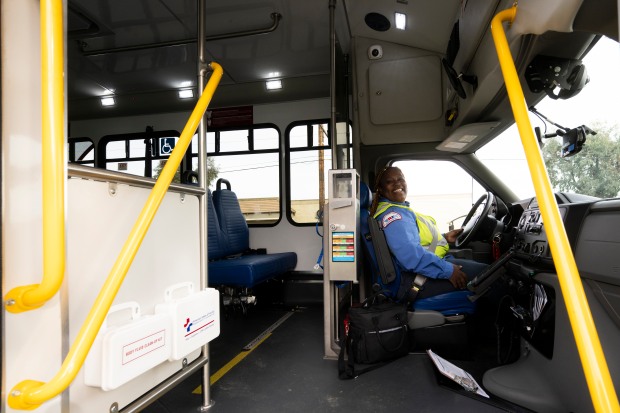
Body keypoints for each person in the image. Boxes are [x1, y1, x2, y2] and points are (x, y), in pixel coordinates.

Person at [370, 166, 489, 304]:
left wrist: (444, 238)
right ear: (381, 189)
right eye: (389, 181)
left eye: (400, 179)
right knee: (491, 277)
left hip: (421, 271)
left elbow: (413, 240)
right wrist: (448, 270)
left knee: (487, 273)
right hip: (414, 281)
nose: (397, 183)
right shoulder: (393, 216)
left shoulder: (399, 209)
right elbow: (410, 255)